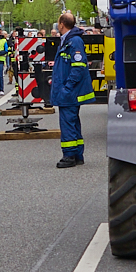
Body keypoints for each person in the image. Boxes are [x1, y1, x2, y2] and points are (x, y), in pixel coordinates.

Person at [50, 12, 95, 168]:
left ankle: (69, 156)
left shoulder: (73, 41)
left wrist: (67, 87)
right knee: (73, 121)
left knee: (68, 122)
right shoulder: (69, 40)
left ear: (62, 24)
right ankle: (77, 155)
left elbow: (78, 67)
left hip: (70, 92)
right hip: (68, 90)